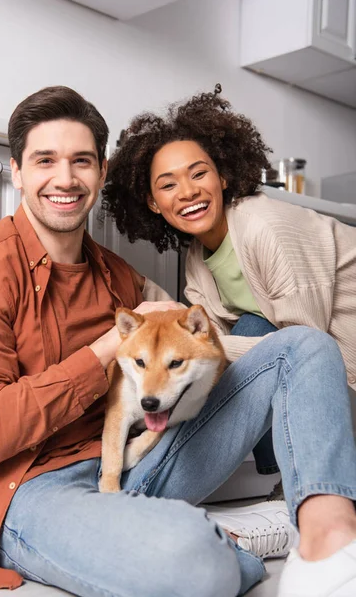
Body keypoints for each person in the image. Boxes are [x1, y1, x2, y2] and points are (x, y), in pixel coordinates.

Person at [101, 85, 356, 596]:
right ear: (153, 201)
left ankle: (305, 508)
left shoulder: (263, 224)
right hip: (299, 363)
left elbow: (306, 354)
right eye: (168, 185)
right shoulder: (199, 257)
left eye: (199, 174)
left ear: (222, 176)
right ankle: (281, 496)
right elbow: (206, 334)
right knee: (232, 342)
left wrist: (186, 351)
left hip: (340, 375)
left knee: (254, 336)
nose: (188, 191)